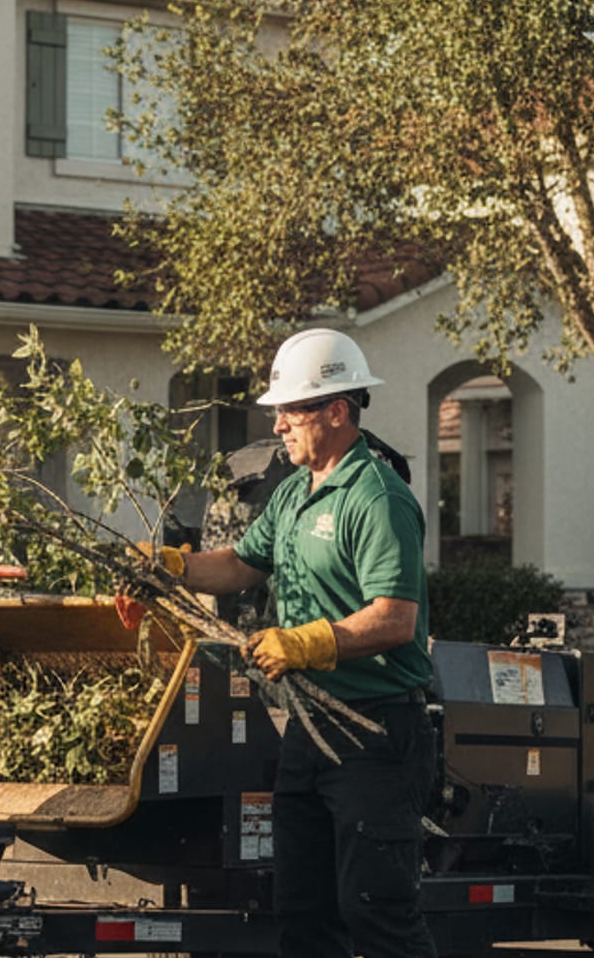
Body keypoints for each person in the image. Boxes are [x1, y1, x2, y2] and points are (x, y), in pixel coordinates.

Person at [132, 327, 437, 958]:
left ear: (336, 411)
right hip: (308, 730)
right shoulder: (294, 493)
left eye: (291, 411)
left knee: (376, 911)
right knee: (302, 912)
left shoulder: (378, 498)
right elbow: (243, 565)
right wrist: (173, 566)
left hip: (374, 734)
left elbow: (394, 620)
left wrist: (305, 643)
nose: (278, 426)